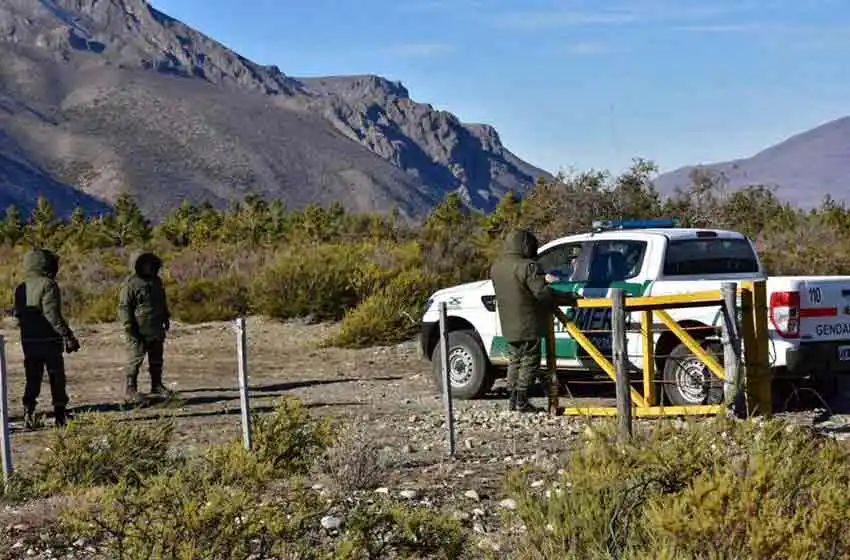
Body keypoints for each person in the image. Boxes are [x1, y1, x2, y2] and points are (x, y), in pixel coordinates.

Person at [490, 229, 578, 413]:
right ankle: (523, 401)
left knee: (514, 360)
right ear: (525, 245)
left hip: (508, 324)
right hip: (528, 323)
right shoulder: (529, 267)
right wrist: (567, 297)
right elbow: (541, 293)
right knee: (530, 361)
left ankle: (513, 400)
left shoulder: (497, 267)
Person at [14, 249, 80, 428]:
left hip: (29, 341)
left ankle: (28, 413)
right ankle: (60, 415)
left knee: (32, 377)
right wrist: (68, 335)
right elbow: (52, 315)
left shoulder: (21, 287)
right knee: (56, 377)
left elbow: (19, 315)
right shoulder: (48, 284)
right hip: (49, 340)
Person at [119, 251, 173, 403]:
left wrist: (166, 317)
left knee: (156, 358)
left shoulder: (157, 281)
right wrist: (128, 325)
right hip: (138, 328)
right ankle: (130, 389)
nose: (148, 267)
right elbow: (124, 307)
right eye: (145, 264)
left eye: (150, 264)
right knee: (135, 358)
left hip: (155, 327)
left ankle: (157, 385)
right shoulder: (131, 284)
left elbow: (162, 301)